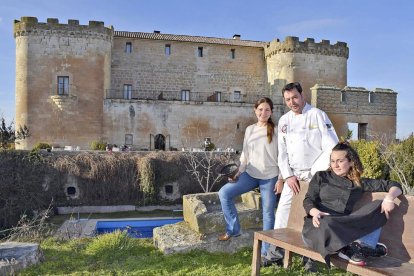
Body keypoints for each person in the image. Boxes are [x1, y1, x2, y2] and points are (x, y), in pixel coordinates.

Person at [265, 82, 339, 270]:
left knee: (311, 218)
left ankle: (310, 259)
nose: (292, 102)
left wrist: (315, 174)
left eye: (295, 97)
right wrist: (287, 176)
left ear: (302, 95)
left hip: (314, 177)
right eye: (288, 99)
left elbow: (331, 147)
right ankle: (276, 253)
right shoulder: (284, 121)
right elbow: (282, 153)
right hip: (293, 178)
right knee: (282, 215)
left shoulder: (317, 115)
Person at [302, 142, 403, 267]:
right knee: (327, 222)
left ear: (351, 162)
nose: (335, 165)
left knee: (378, 205)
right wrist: (314, 212)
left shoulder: (358, 183)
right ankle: (358, 248)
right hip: (318, 225)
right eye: (333, 161)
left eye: (340, 161)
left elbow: (394, 185)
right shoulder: (321, 176)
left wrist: (389, 198)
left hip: (343, 225)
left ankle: (354, 248)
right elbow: (308, 200)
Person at [218, 97, 279, 259]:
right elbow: (245, 155)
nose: (263, 113)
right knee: (224, 193)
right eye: (260, 109)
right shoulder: (250, 129)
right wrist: (238, 172)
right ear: (255, 110)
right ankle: (233, 229)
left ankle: (266, 251)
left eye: (267, 110)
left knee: (268, 212)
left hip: (270, 177)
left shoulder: (277, 131)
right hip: (250, 174)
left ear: (271, 112)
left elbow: (283, 157)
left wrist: (281, 179)